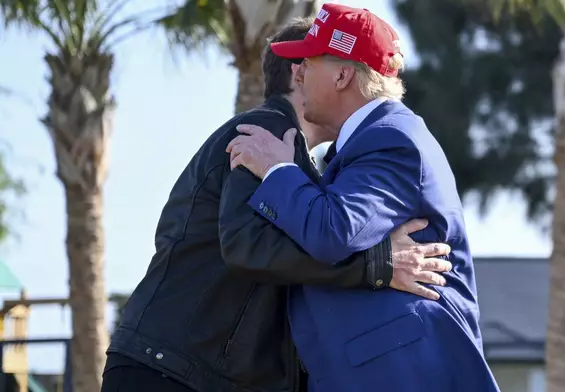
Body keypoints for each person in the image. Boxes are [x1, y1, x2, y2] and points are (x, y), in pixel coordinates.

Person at [101, 17, 453, 392]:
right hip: (170, 373)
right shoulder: (263, 134)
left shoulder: (295, 161)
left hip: (186, 371)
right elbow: (246, 247)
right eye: (304, 63)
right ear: (298, 75)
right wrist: (377, 265)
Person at [227, 4, 500, 392]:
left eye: (308, 61)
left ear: (342, 74)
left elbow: (332, 231)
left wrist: (277, 169)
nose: (298, 72)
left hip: (401, 374)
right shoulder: (372, 139)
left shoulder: (392, 139)